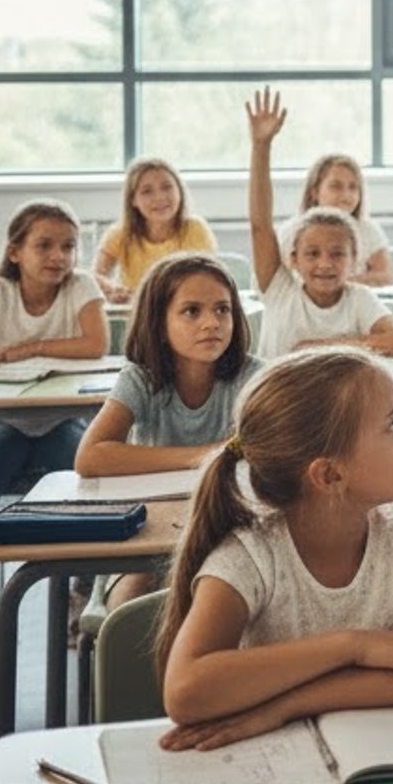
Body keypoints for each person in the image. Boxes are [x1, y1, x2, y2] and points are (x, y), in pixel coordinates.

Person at [155, 348, 393, 749]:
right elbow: (185, 692)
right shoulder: (251, 554)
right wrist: (353, 646)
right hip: (282, 763)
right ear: (330, 474)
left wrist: (285, 706)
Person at [74, 252, 262, 604]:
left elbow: (269, 452)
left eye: (222, 310)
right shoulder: (140, 378)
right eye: (192, 311)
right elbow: (90, 457)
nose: (212, 323)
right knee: (130, 600)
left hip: (229, 526)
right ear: (159, 324)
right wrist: (207, 454)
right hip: (147, 529)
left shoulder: (253, 376)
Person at [0, 200, 107, 652]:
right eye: (44, 245)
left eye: (68, 246)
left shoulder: (81, 286)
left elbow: (95, 344)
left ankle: (84, 592)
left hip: (60, 422)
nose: (58, 256)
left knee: (92, 486)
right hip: (5, 425)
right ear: (15, 252)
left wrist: (28, 348)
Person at [245, 89, 393, 361]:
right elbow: (260, 224)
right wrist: (262, 146)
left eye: (337, 254)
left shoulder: (359, 298)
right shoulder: (279, 290)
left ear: (355, 260)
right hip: (279, 401)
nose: (325, 264)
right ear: (293, 260)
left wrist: (326, 346)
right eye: (312, 253)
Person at [94, 157, 217, 304]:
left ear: (179, 191)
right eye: (147, 191)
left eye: (167, 187)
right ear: (133, 200)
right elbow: (95, 275)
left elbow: (207, 279)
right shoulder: (120, 233)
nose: (159, 197)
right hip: (136, 316)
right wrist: (112, 289)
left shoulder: (196, 229)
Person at [299, 153, 393, 287]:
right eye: (335, 186)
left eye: (353, 187)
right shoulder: (296, 230)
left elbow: (384, 276)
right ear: (314, 191)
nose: (346, 196)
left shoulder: (368, 229)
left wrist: (339, 283)